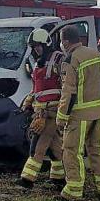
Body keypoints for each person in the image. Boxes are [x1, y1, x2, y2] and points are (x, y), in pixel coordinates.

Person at [56, 25, 100, 201]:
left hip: (79, 116)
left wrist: (61, 117)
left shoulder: (70, 59)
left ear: (66, 41)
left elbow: (69, 93)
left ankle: (73, 191)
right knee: (98, 150)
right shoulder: (95, 55)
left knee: (72, 152)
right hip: (98, 113)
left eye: (61, 40)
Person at [16, 28, 65, 189]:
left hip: (51, 112)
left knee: (37, 146)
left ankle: (27, 180)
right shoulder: (38, 64)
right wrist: (26, 104)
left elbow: (67, 86)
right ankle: (59, 178)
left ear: (46, 44)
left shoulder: (59, 59)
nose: (36, 49)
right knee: (55, 148)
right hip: (40, 113)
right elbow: (36, 90)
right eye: (34, 46)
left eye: (38, 45)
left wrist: (62, 109)